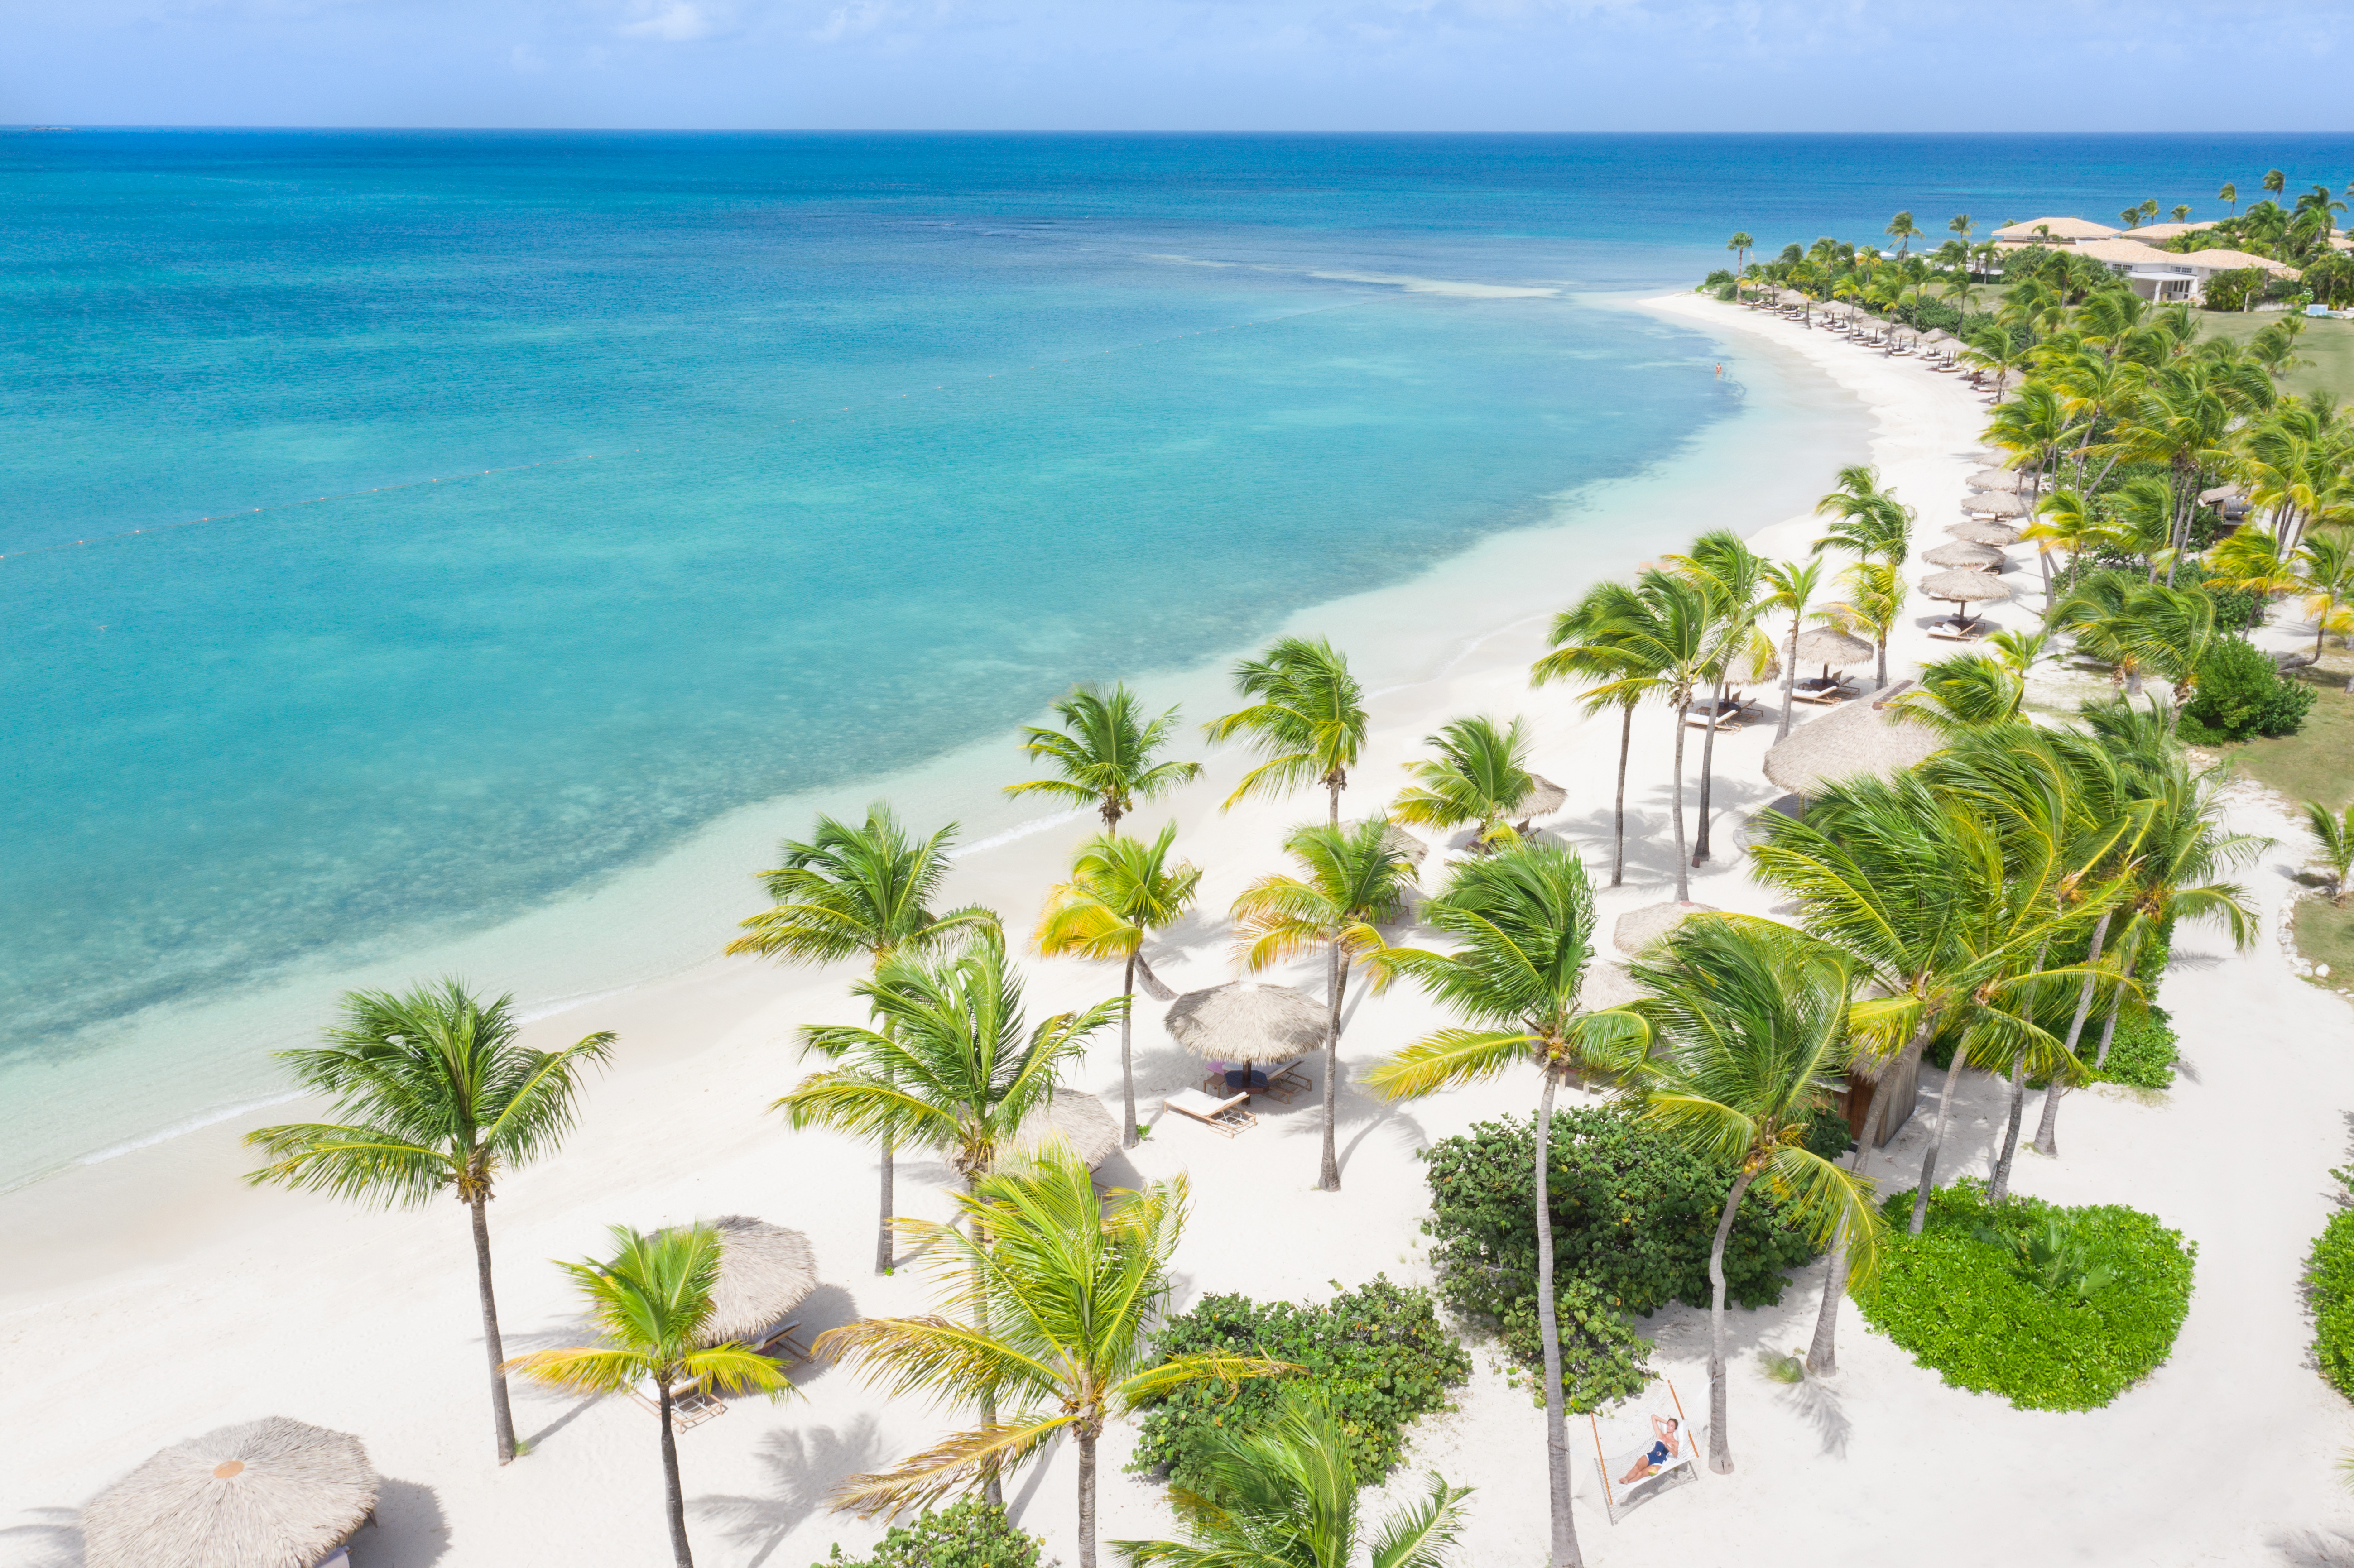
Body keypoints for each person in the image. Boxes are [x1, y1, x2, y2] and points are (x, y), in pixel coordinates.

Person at [1616, 1414, 1681, 1483]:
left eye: (1672, 1426)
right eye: (1668, 1425)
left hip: (1658, 1462)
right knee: (1636, 1468)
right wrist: (1666, 1423)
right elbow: (1653, 1417)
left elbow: (1676, 1454)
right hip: (1650, 1456)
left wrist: (1667, 1446)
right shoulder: (1660, 1434)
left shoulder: (1675, 1442)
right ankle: (1626, 1479)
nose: (1669, 1427)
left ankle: (1627, 1482)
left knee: (1640, 1474)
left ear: (1675, 1429)